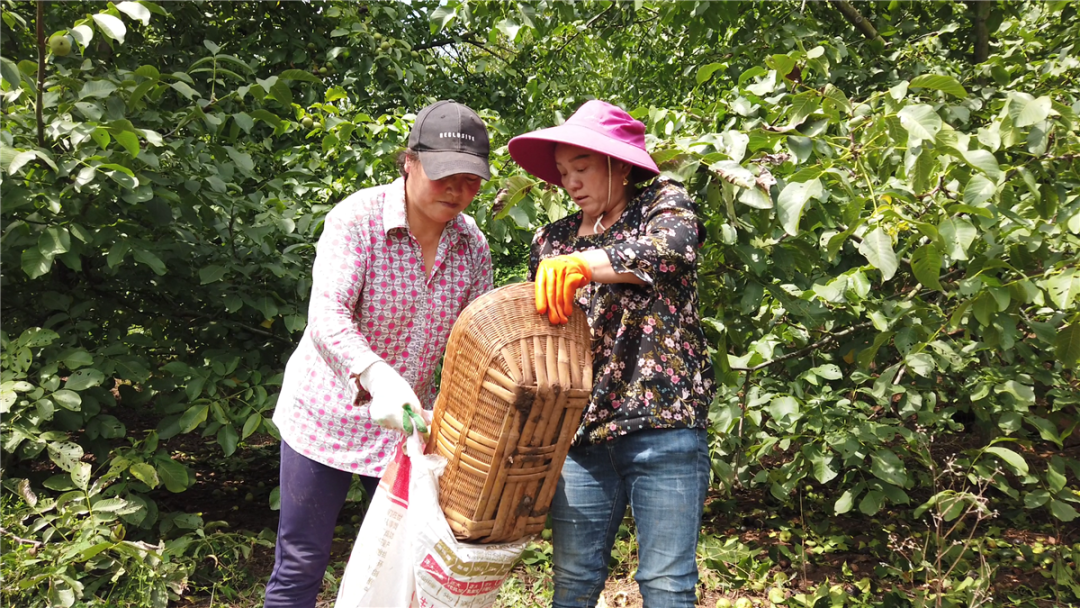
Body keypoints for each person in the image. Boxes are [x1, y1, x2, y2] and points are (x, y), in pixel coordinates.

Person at [264, 100, 494, 608]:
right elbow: (327, 315)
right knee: (302, 558)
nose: (458, 191)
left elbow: (476, 341)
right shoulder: (357, 219)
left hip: (407, 426)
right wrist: (375, 373)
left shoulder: (473, 246)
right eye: (444, 175)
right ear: (409, 161)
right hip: (325, 414)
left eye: (471, 179)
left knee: (402, 564)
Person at [507, 100, 715, 608]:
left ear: (618, 164)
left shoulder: (661, 204)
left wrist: (586, 263)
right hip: (581, 432)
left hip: (662, 424)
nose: (571, 183)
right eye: (562, 173)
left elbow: (675, 249)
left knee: (666, 583)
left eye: (582, 168)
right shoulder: (552, 238)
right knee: (574, 578)